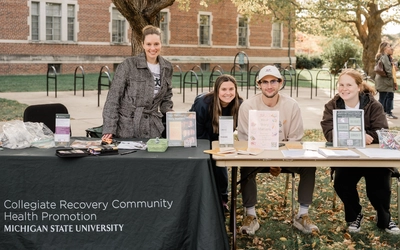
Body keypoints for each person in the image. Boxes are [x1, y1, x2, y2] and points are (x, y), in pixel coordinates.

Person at [237, 65, 319, 235]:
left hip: (285, 156)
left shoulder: (291, 105)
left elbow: (295, 140)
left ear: (280, 83)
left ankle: (302, 215)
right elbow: (244, 140)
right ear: (258, 84)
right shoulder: (247, 106)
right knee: (245, 166)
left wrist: (278, 161)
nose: (269, 86)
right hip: (257, 156)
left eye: (273, 81)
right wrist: (268, 160)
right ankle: (250, 215)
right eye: (264, 82)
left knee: (309, 165)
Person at [321, 69, 400, 234]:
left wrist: (367, 136)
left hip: (372, 157)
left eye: (349, 84)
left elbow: (381, 132)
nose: (344, 88)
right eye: (341, 84)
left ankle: (384, 217)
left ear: (358, 87)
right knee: (341, 182)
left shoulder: (373, 105)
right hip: (347, 156)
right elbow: (329, 133)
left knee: (380, 184)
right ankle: (354, 215)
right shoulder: (332, 105)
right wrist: (357, 135)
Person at [102, 25, 173, 139]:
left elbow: (166, 96)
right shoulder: (128, 65)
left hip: (153, 129)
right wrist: (109, 128)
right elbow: (113, 98)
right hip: (127, 129)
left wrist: (169, 111)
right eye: (149, 44)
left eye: (156, 44)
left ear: (161, 44)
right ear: (143, 44)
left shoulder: (167, 67)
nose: (153, 48)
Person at [189, 74, 243, 211]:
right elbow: (196, 130)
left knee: (220, 164)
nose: (228, 93)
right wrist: (209, 148)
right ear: (217, 90)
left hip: (222, 139)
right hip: (200, 136)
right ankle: (199, 197)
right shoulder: (203, 103)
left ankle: (222, 199)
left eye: (231, 89)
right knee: (204, 163)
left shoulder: (240, 105)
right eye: (224, 89)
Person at [375, 42, 397, 119]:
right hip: (384, 80)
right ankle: (378, 114)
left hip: (382, 80)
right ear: (384, 48)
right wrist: (391, 78)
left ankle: (381, 113)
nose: (390, 48)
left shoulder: (382, 56)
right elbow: (388, 69)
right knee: (382, 98)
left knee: (383, 97)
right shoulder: (384, 57)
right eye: (388, 47)